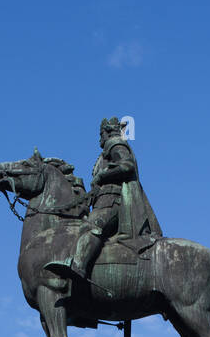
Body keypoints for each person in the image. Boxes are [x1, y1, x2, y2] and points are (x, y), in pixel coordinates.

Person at [42, 117, 162, 293]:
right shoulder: (105, 152)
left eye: (101, 134)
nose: (100, 138)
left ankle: (78, 266)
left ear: (107, 132)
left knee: (91, 227)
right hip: (103, 200)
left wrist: (102, 175)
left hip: (114, 200)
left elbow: (127, 166)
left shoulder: (115, 144)